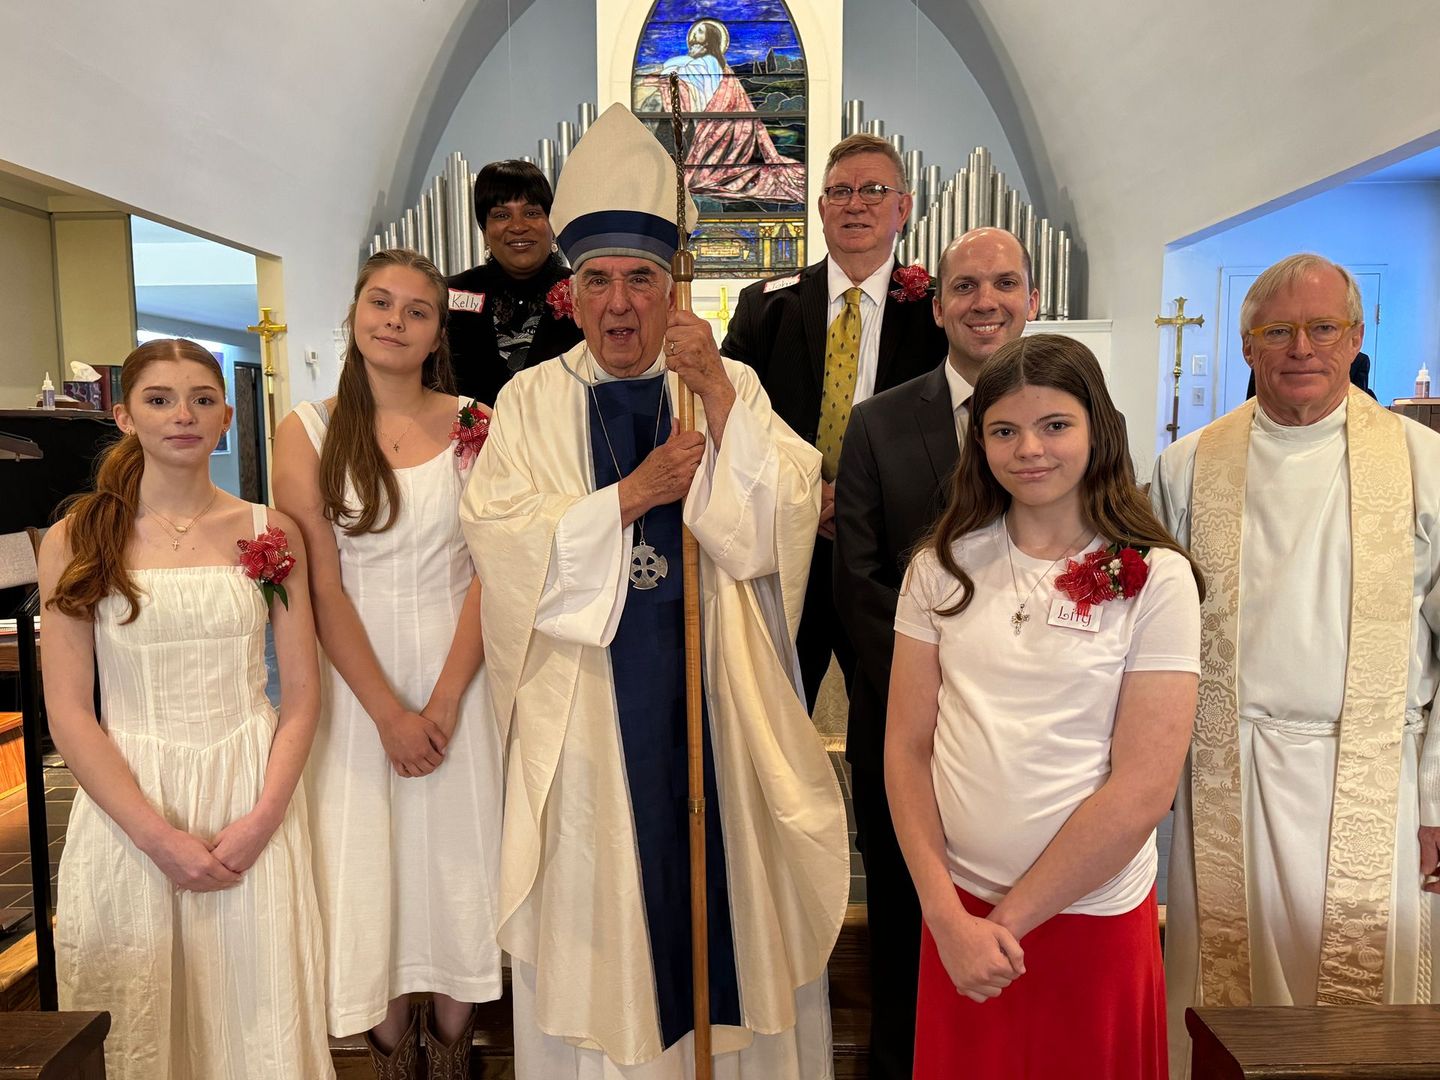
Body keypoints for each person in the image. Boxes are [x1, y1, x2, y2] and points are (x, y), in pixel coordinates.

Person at [460, 103, 848, 1079]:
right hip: (591, 712)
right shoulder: (531, 400)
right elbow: (501, 544)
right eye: (599, 281)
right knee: (611, 910)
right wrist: (630, 498)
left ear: (674, 289)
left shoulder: (732, 384)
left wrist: (717, 398)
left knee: (728, 904)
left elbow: (777, 528)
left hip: (719, 697)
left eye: (642, 279)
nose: (622, 303)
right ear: (571, 294)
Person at [1152, 253, 1440, 1078]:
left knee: (1369, 1019)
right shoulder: (1189, 466)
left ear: (1356, 337)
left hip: (1381, 779)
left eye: (1322, 329)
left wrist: (1437, 800)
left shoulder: (1425, 467)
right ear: (1247, 346)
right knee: (1226, 1007)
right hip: (1226, 776)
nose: (1301, 348)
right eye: (1277, 331)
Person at [888, 333, 1202, 1079]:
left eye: (1055, 425)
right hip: (958, 911)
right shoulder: (942, 568)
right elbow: (906, 747)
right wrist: (943, 913)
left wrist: (1005, 924)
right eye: (1004, 430)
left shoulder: (1154, 579)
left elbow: (1144, 787)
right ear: (980, 441)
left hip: (1085, 919)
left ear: (1098, 430)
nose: (1029, 448)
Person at [37, 337, 334, 1079]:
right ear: (124, 416)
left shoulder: (269, 530)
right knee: (138, 1011)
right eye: (159, 400)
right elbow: (70, 710)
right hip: (129, 799)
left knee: (255, 1009)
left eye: (202, 400)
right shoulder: (77, 536)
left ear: (227, 416)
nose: (183, 416)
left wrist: (262, 818)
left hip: (247, 791)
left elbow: (300, 696)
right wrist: (157, 836)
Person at [273, 248, 503, 1079]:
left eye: (415, 310)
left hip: (460, 677)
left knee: (454, 860)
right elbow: (321, 584)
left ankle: (455, 1047)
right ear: (354, 315)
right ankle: (388, 1053)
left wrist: (439, 707)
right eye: (381, 303)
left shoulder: (479, 420)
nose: (395, 321)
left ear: (438, 330)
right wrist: (389, 715)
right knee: (371, 861)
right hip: (354, 683)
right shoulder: (306, 428)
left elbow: (491, 572)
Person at [831, 226, 1037, 1080]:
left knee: (1027, 916)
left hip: (1032, 730)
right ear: (938, 301)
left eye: (1004, 284)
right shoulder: (880, 423)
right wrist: (938, 688)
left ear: (1030, 299)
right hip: (911, 727)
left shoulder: (1081, 422)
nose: (985, 302)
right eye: (965, 286)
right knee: (909, 914)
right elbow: (859, 575)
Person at [722, 132, 948, 708]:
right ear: (820, 208)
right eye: (839, 191)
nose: (856, 203)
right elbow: (731, 415)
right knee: (773, 717)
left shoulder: (938, 314)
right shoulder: (765, 307)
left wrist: (855, 503)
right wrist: (805, 494)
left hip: (894, 556)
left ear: (905, 206)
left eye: (874, 189)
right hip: (786, 546)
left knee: (890, 720)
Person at [446, 159, 582, 406]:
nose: (518, 226)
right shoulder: (447, 296)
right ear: (485, 230)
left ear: (551, 224)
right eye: (501, 215)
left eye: (532, 213)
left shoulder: (584, 292)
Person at [645, 18, 805, 204]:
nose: (694, 36)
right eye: (694, 32)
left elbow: (694, 78)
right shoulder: (699, 60)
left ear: (709, 39)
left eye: (700, 32)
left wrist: (672, 76)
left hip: (719, 126)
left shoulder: (710, 61)